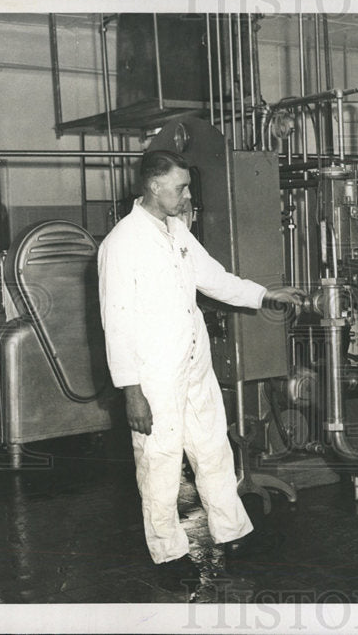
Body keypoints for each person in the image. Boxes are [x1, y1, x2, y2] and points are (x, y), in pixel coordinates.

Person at [97, 150, 304, 589]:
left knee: (214, 452)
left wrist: (266, 295)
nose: (188, 195)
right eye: (181, 187)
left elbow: (214, 277)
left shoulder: (176, 232)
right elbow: (114, 322)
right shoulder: (122, 243)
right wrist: (130, 389)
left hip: (194, 367)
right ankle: (168, 555)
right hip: (153, 376)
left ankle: (233, 534)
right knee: (160, 464)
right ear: (153, 186)